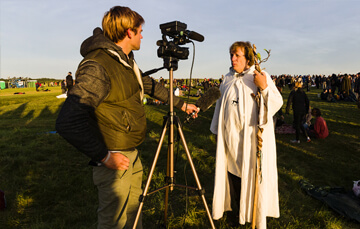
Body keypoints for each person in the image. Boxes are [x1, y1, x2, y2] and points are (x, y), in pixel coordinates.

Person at [55, 6, 198, 229]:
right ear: (128, 32)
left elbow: (147, 84)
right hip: (114, 158)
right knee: (115, 221)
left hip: (131, 153)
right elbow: (68, 120)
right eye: (140, 30)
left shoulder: (124, 59)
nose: (142, 35)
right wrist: (104, 156)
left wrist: (181, 103)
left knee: (133, 215)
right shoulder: (99, 64)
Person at [210, 41, 283, 229]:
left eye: (237, 55)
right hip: (231, 141)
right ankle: (237, 211)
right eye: (231, 55)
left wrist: (264, 88)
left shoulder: (259, 76)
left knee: (251, 177)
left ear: (248, 58)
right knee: (233, 177)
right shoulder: (227, 79)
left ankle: (252, 212)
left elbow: (276, 103)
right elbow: (219, 106)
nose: (233, 59)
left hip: (251, 142)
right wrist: (218, 133)